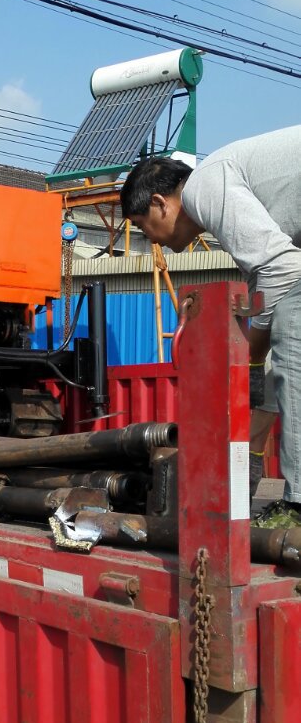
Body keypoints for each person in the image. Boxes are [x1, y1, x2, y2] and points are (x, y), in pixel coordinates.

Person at [119, 127, 301, 529]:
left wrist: (251, 352)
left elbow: (284, 273)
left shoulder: (204, 187)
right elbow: (271, 285)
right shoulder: (238, 212)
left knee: (290, 325)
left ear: (160, 203)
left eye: (143, 225)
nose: (152, 240)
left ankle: (299, 508)